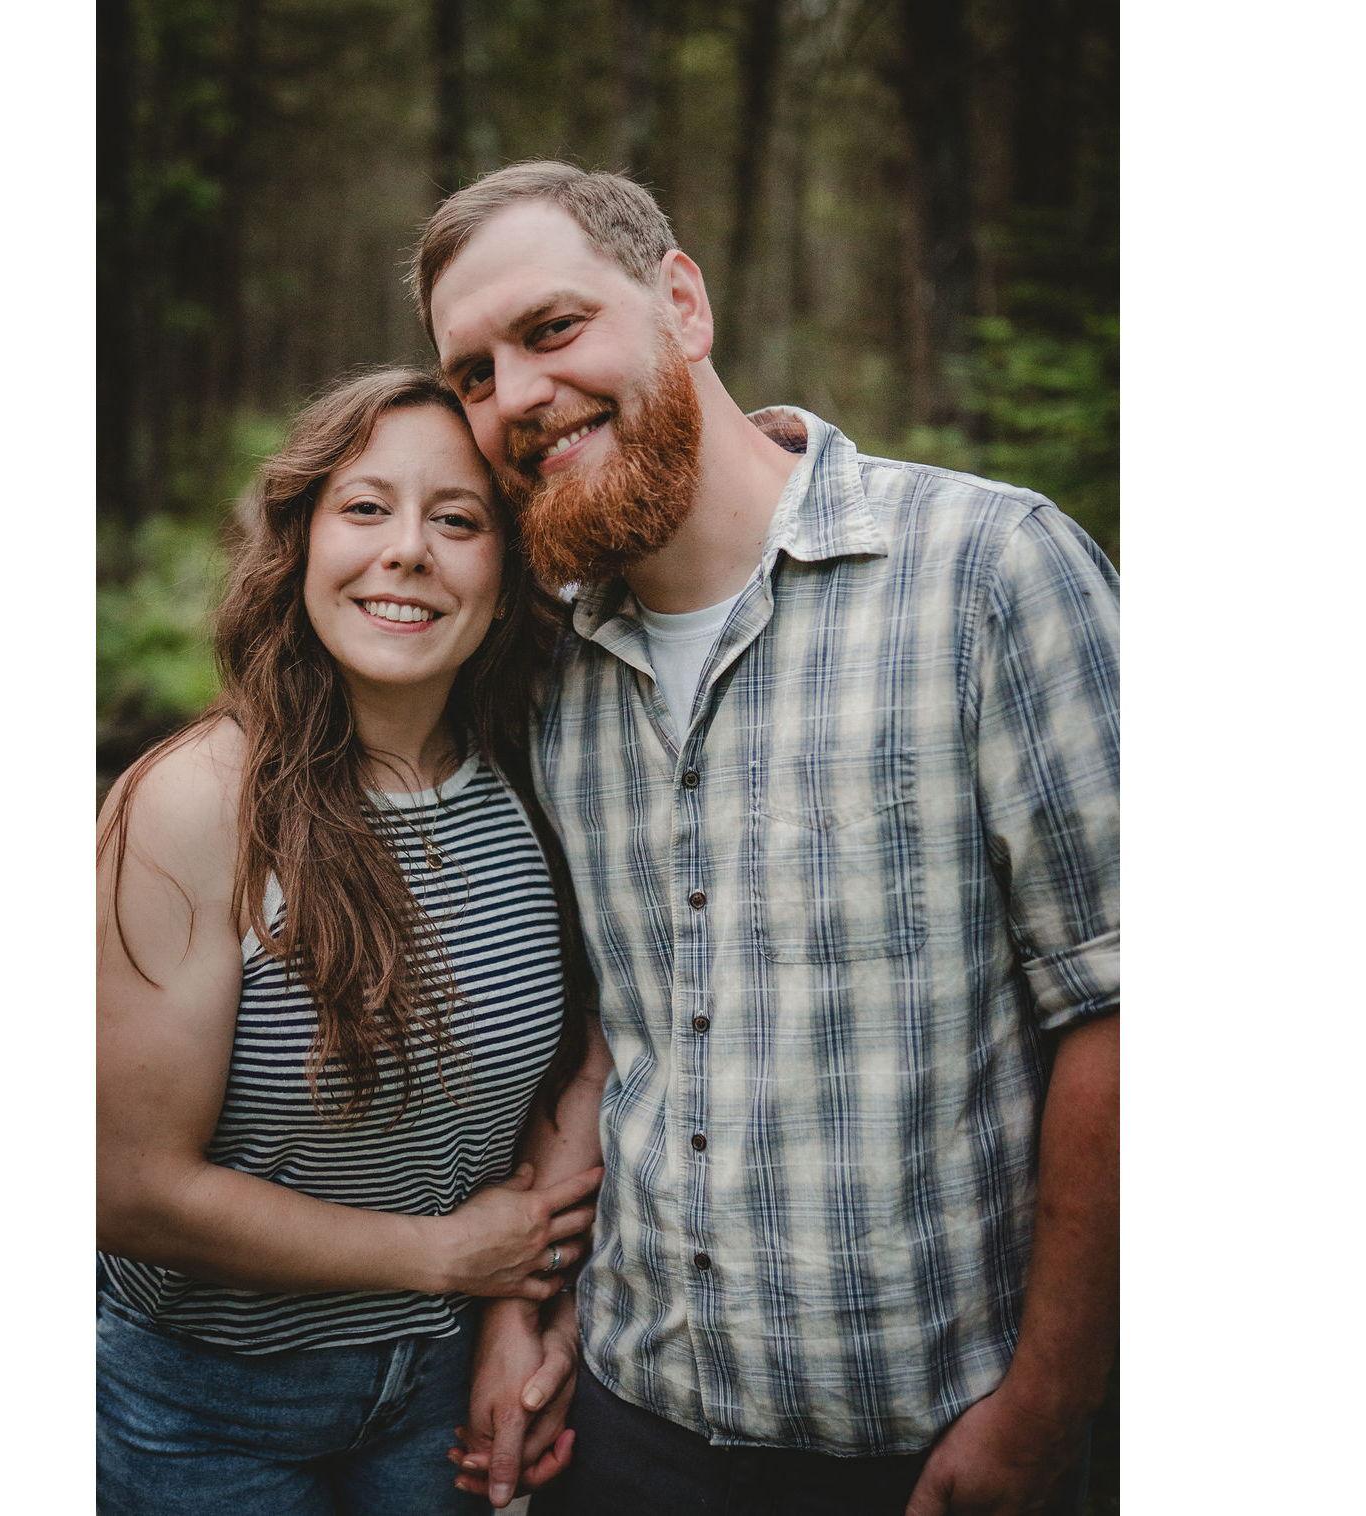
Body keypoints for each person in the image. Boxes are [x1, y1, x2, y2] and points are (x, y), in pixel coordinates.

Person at [409, 164, 1120, 1515]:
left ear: (681, 300)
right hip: (630, 1426)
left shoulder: (990, 571)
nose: (514, 397)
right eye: (474, 373)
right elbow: (620, 1028)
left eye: (552, 330)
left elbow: (1125, 1009)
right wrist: (530, 1304)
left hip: (933, 1437)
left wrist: (1045, 1410)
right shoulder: (548, 664)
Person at [95, 366, 612, 1514]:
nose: (409, 551)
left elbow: (582, 1058)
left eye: (458, 519)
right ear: (301, 543)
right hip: (204, 1409)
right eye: (366, 507)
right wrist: (445, 1258)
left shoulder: (534, 779)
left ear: (506, 564)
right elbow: (125, 1187)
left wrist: (513, 1320)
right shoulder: (198, 806)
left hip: (439, 1393)